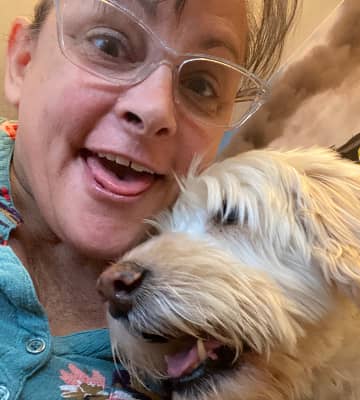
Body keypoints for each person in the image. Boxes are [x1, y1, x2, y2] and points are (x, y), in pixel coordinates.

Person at [0, 0, 297, 398]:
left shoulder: (241, 335)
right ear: (22, 62)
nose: (155, 109)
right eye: (108, 46)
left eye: (201, 85)